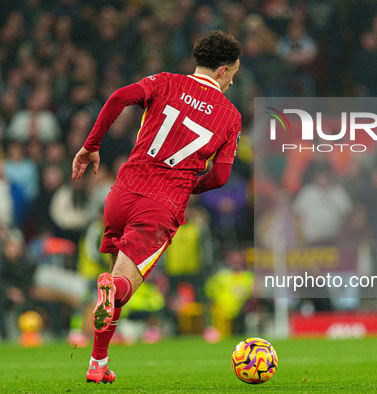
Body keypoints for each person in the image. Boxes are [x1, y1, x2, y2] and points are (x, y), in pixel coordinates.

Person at [72, 30, 243, 384]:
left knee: (111, 292)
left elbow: (119, 96)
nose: (232, 83)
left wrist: (91, 145)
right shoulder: (229, 116)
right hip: (160, 205)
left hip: (122, 192)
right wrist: (186, 186)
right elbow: (221, 176)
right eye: (234, 75)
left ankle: (97, 363)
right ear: (224, 70)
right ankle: (110, 292)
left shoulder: (166, 82)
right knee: (121, 287)